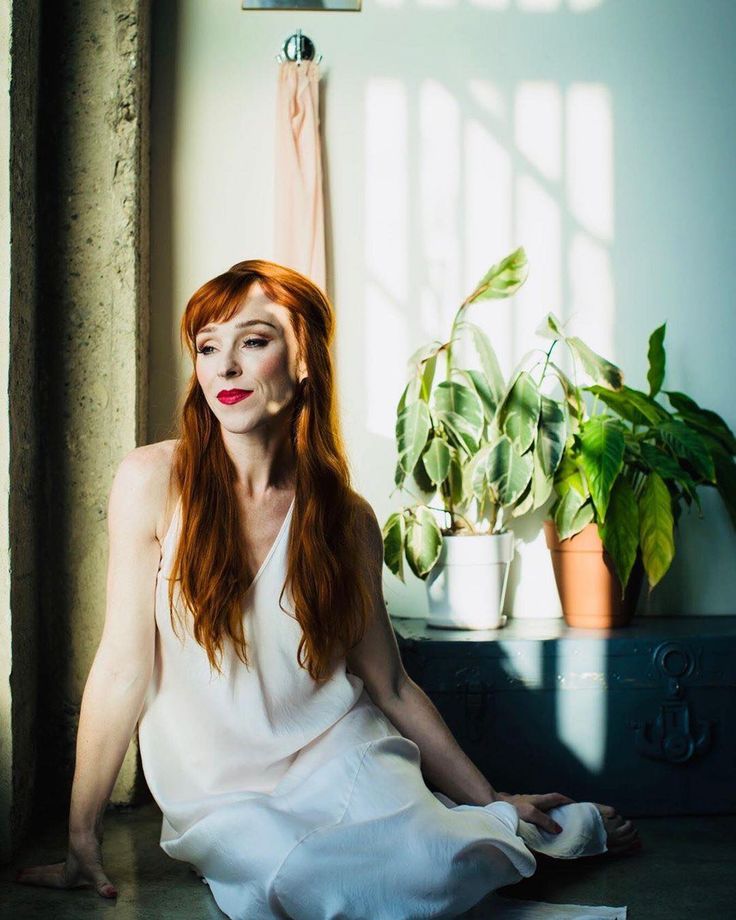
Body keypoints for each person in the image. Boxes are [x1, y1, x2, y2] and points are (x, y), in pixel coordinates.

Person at [15, 260, 640, 918]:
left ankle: (500, 828)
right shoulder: (152, 480)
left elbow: (391, 686)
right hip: (218, 791)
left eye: (253, 341)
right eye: (207, 346)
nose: (225, 366)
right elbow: (121, 667)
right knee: (304, 879)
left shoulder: (347, 519)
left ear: (305, 360)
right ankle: (501, 844)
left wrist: (491, 797)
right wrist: (82, 837)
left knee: (424, 858)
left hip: (341, 755)